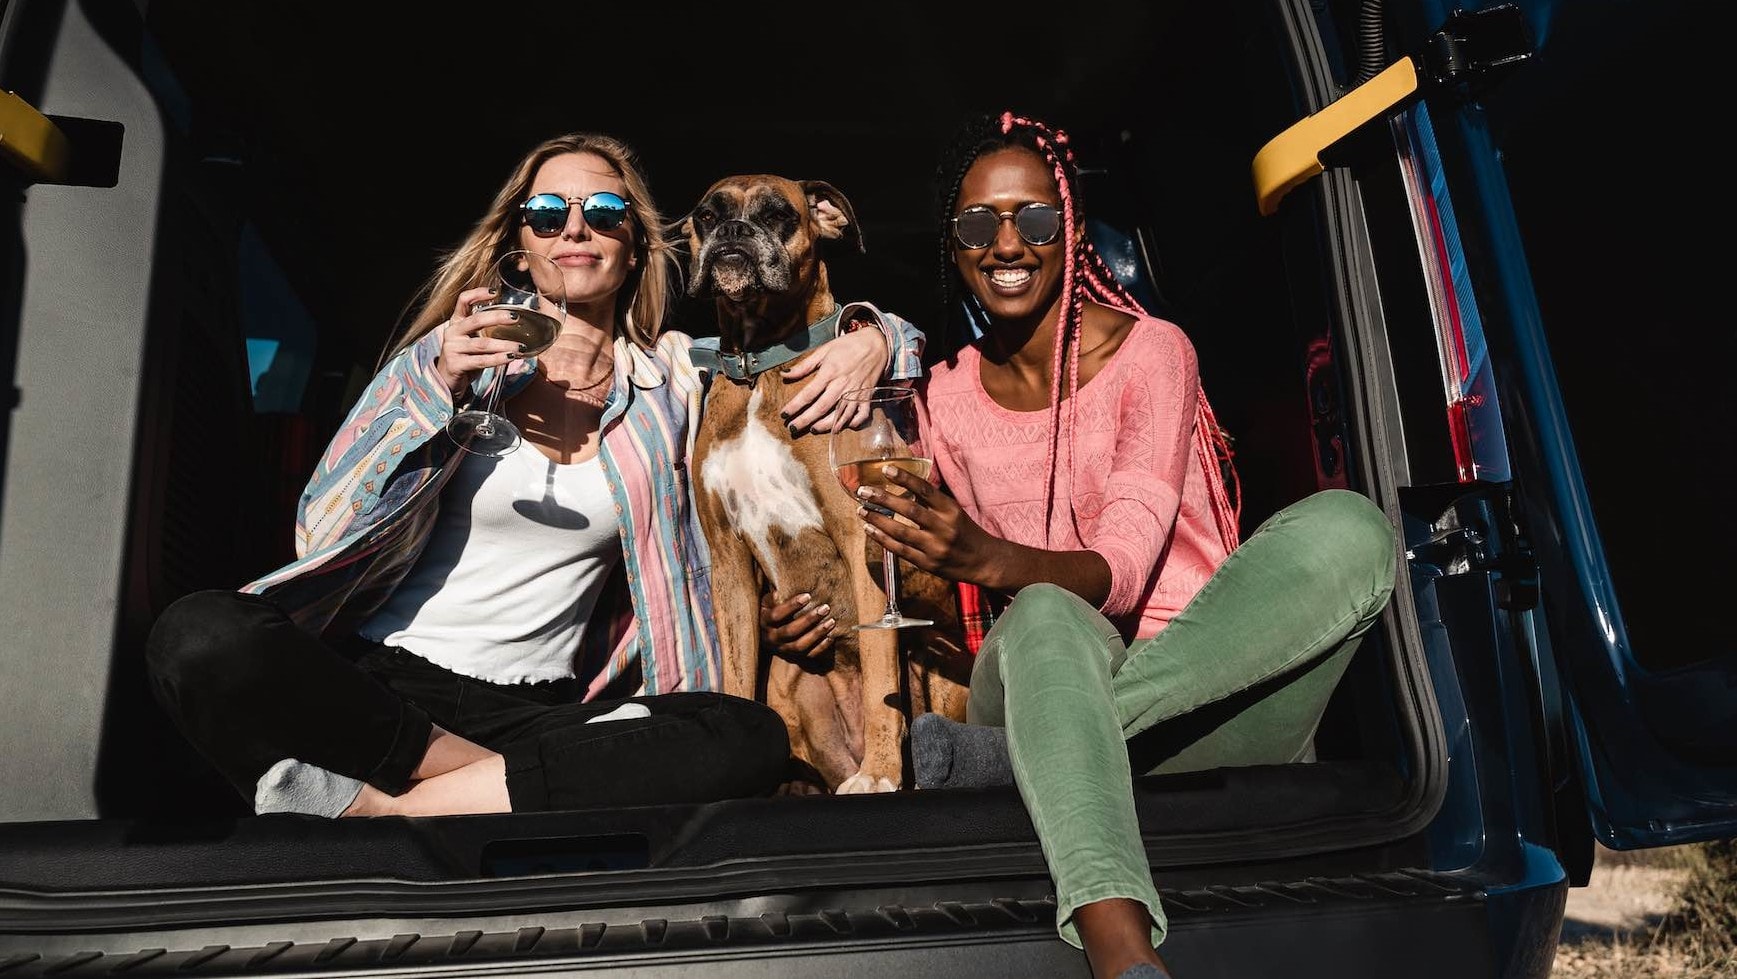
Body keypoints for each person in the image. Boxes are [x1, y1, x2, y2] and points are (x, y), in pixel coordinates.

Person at [145, 132, 924, 819]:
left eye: (604, 214)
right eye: (548, 213)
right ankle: (486, 789)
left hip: (545, 711)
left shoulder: (677, 380)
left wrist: (872, 335)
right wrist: (434, 391)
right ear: (521, 245)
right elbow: (321, 526)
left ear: (638, 247)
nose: (575, 228)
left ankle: (385, 808)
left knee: (743, 734)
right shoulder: (447, 358)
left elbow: (832, 347)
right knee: (200, 634)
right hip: (386, 686)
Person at [828, 112, 1398, 979]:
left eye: (1036, 219)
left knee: (1351, 528)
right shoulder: (939, 398)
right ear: (952, 245)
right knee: (1049, 613)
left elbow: (1125, 570)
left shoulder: (1153, 354)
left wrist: (985, 556)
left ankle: (1022, 758)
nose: (1006, 242)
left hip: (1208, 694)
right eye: (978, 224)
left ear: (1073, 232)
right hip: (1041, 665)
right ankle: (1123, 954)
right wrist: (876, 336)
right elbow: (888, 540)